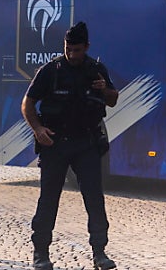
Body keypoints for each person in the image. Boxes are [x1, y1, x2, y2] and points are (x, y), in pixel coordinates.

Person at [21, 22, 119, 270]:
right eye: (68, 49)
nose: (72, 55)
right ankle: (40, 254)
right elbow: (28, 103)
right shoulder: (50, 71)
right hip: (55, 142)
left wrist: (104, 88)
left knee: (94, 199)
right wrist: (38, 129)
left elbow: (113, 100)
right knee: (48, 200)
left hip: (86, 143)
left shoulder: (96, 70)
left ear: (86, 47)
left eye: (77, 50)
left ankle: (100, 252)